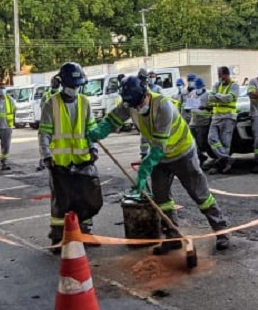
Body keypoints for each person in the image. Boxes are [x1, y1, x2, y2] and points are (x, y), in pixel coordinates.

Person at [89, 75, 230, 251]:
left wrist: (143, 171)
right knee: (161, 198)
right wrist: (98, 132)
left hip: (182, 153)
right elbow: (111, 120)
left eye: (140, 103)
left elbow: (157, 148)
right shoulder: (130, 104)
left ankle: (221, 231)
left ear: (146, 93)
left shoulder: (163, 106)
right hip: (160, 158)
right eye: (134, 105)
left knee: (200, 195)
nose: (138, 108)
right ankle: (172, 237)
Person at [39, 62, 101, 245]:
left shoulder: (84, 102)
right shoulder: (52, 103)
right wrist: (47, 156)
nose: (75, 89)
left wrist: (94, 147)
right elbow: (44, 133)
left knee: (86, 199)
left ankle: (85, 233)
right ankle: (59, 237)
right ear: (62, 83)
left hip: (83, 159)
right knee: (61, 202)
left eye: (77, 85)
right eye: (72, 86)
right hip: (60, 162)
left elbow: (91, 128)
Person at [207, 66, 239, 173]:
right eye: (219, 76)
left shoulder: (234, 86)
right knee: (212, 138)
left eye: (221, 75)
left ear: (226, 75)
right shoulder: (217, 85)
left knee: (225, 142)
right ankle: (226, 159)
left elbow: (229, 98)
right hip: (216, 116)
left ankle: (221, 164)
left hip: (228, 116)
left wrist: (217, 96)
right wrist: (221, 97)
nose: (219, 78)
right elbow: (210, 98)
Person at [35, 74, 61, 172]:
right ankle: (43, 161)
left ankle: (53, 160)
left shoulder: (61, 95)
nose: (55, 85)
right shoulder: (47, 95)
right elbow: (43, 108)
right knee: (45, 142)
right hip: (48, 122)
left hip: (58, 123)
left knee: (55, 143)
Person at [188, 77, 214, 165]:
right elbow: (189, 104)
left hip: (204, 122)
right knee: (193, 142)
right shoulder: (192, 93)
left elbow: (212, 108)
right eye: (197, 87)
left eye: (199, 87)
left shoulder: (208, 95)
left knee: (201, 142)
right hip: (193, 121)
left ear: (203, 86)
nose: (198, 89)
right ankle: (200, 157)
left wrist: (205, 107)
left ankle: (203, 157)